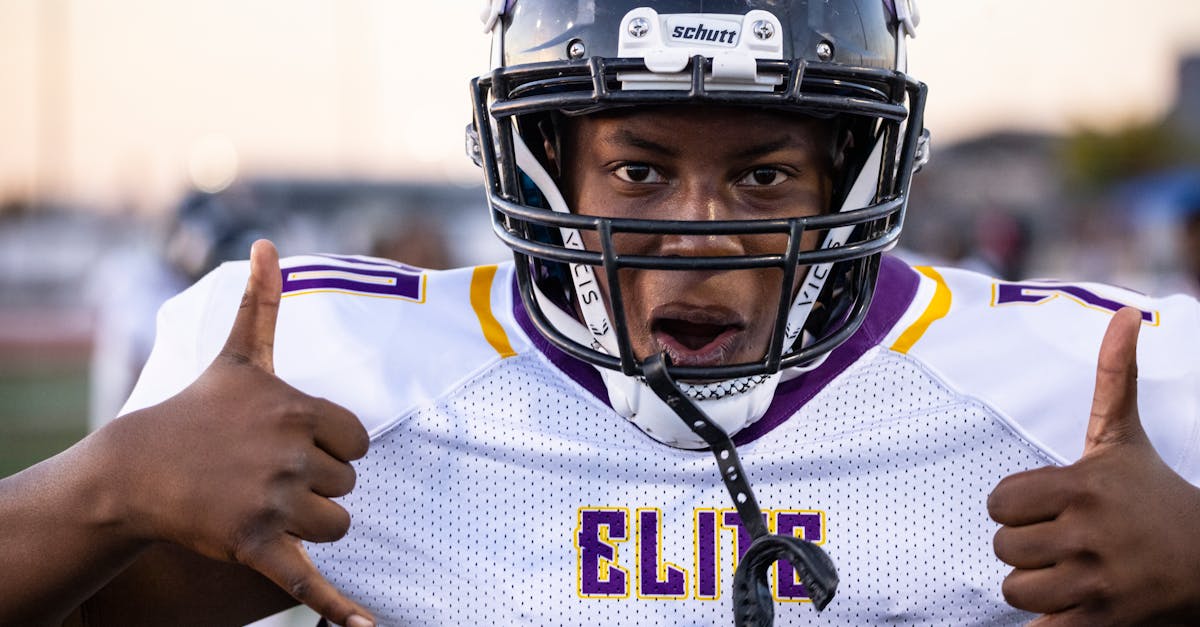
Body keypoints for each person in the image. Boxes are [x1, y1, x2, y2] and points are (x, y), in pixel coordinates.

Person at [3, 1, 1200, 625]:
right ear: (541, 167)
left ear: (857, 176)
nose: (698, 228)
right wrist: (106, 487)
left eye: (766, 174)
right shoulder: (343, 374)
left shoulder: (1098, 383)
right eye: (637, 169)